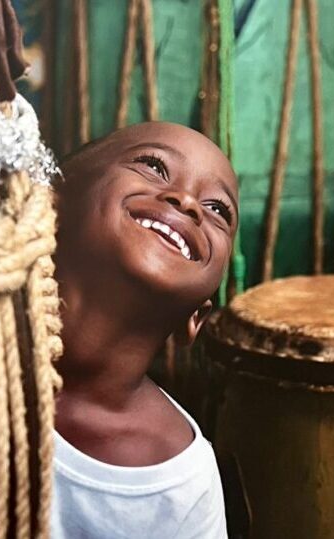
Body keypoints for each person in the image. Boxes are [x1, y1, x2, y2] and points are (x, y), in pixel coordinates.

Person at [51, 121, 238, 538]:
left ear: (196, 319)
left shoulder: (183, 483)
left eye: (218, 210)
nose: (187, 201)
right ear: (53, 202)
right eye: (153, 166)